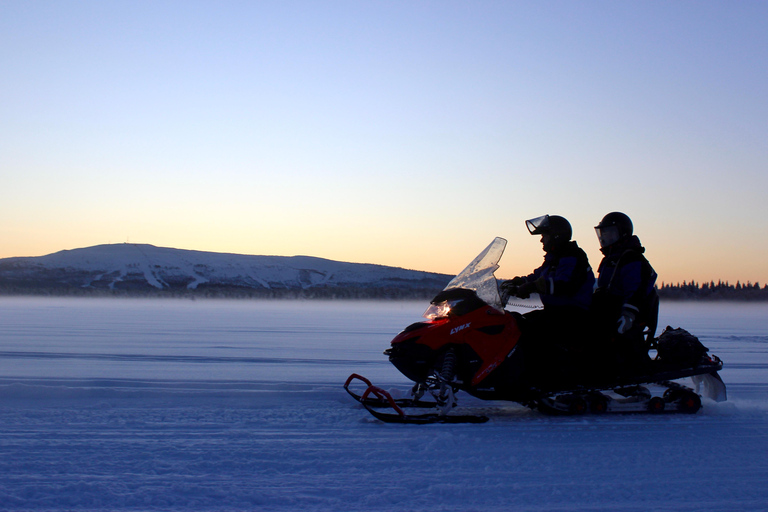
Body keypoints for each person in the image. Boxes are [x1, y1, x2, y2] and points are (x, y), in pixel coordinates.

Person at [500, 215, 596, 385]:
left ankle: (543, 378)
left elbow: (564, 284)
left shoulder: (572, 256)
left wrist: (532, 287)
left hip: (573, 314)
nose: (542, 240)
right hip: (556, 311)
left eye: (545, 236)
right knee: (515, 322)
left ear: (556, 236)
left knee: (533, 331)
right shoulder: (555, 258)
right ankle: (519, 372)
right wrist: (519, 282)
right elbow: (538, 275)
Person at [592, 212, 659, 372]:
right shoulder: (612, 258)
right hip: (608, 309)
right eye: (603, 233)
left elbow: (636, 291)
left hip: (621, 315)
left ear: (621, 233)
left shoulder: (631, 259)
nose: (604, 237)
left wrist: (628, 315)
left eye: (609, 232)